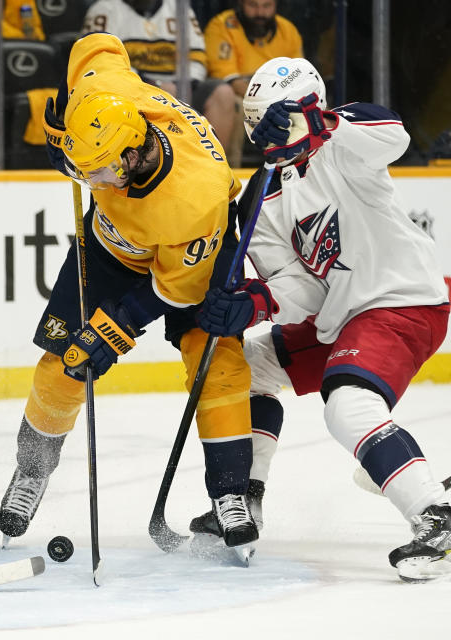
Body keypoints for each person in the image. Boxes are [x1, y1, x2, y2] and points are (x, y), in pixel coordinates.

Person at [0, 32, 259, 558]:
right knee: (64, 361)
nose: (89, 180)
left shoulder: (195, 196)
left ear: (135, 155)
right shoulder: (111, 99)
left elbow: (173, 290)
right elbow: (95, 45)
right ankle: (31, 474)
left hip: (189, 262)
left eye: (98, 171)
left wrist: (113, 328)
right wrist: (66, 120)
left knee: (217, 362)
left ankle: (231, 491)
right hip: (111, 248)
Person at [195, 57, 451, 581]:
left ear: (313, 107)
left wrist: (321, 124)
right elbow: (303, 289)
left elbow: (393, 136)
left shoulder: (343, 145)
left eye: (282, 118)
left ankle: (434, 516)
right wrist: (256, 302)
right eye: (261, 120)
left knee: (349, 405)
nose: (270, 131)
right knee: (245, 368)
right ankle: (248, 496)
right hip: (341, 312)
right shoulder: (260, 197)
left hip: (400, 298)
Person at [82, 0, 240, 167]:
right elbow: (99, 61)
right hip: (129, 90)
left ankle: (214, 167)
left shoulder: (179, 8)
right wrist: (151, 85)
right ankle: (153, 168)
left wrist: (185, 85)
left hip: (178, 88)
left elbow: (197, 57)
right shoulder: (103, 10)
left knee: (223, 94)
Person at [203, 0, 303, 166]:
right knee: (233, 104)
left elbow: (300, 74)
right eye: (253, 5)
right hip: (242, 94)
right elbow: (229, 79)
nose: (260, 13)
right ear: (240, 4)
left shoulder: (288, 29)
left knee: (311, 108)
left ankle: (302, 171)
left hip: (278, 95)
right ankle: (230, 172)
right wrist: (267, 99)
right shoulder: (221, 25)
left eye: (266, 6)